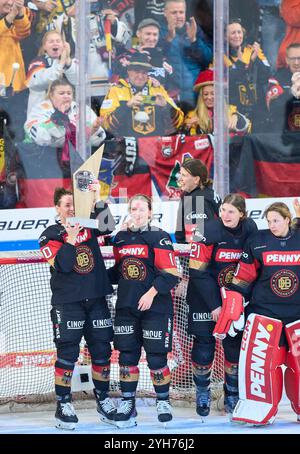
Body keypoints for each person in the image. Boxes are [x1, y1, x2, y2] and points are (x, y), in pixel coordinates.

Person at [39, 185, 116, 430]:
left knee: (102, 353)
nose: (72, 209)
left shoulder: (89, 223)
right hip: (68, 303)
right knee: (67, 355)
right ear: (57, 209)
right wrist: (70, 237)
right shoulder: (49, 235)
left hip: (96, 300)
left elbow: (108, 227)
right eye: (67, 205)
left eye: (74, 204)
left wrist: (97, 199)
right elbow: (63, 264)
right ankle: (63, 405)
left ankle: (103, 401)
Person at [108, 194, 179, 428]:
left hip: (156, 308)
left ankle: (163, 401)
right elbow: (120, 270)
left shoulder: (159, 237)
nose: (136, 212)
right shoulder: (121, 238)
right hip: (127, 307)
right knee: (127, 357)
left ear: (150, 211)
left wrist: (151, 293)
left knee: (157, 357)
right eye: (133, 208)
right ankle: (128, 403)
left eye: (141, 209)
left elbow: (171, 274)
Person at [228, 201, 300, 426]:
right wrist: (234, 304)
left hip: (297, 313)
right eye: (269, 221)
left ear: (288, 220)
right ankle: (260, 409)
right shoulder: (258, 241)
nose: (272, 225)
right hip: (265, 312)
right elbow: (244, 276)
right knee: (262, 365)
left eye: (276, 221)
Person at [188, 193, 258, 418]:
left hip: (235, 298)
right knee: (204, 346)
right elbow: (197, 272)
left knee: (234, 346)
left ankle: (232, 394)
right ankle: (202, 393)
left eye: (231, 211)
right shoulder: (204, 230)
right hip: (204, 298)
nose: (225, 215)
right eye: (223, 210)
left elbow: (252, 266)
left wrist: (237, 300)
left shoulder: (250, 228)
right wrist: (215, 306)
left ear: (242, 214)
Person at [100, 52, 184, 138]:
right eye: (136, 71)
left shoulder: (158, 90)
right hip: (126, 147)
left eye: (144, 72)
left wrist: (166, 107)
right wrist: (126, 106)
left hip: (154, 147)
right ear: (128, 71)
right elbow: (105, 124)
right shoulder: (116, 91)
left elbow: (178, 123)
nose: (140, 76)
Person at [24, 78, 105, 164]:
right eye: (61, 93)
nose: (66, 96)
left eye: (69, 93)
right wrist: (56, 124)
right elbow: (43, 140)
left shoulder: (82, 109)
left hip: (79, 160)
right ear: (51, 95)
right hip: (42, 162)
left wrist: (62, 137)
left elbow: (99, 138)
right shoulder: (39, 109)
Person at [159, 0, 213, 110]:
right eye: (174, 13)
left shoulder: (195, 30)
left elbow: (207, 59)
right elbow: (155, 60)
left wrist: (194, 40)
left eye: (181, 12)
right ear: (165, 13)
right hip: (170, 101)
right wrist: (168, 39)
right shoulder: (158, 32)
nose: (178, 16)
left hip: (196, 99)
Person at [225, 18, 271, 132]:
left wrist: (255, 60)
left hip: (258, 109)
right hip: (235, 111)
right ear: (225, 36)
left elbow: (266, 75)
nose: (237, 36)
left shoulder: (253, 50)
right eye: (233, 33)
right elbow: (225, 83)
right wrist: (240, 64)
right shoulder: (221, 56)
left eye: (239, 32)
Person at [183, 69, 250, 135]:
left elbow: (247, 129)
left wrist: (238, 118)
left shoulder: (231, 111)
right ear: (201, 97)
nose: (209, 97)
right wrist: (188, 127)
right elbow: (187, 140)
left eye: (213, 93)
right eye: (206, 94)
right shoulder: (193, 116)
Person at [26, 30, 77, 115]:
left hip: (66, 115)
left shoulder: (71, 63)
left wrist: (68, 62)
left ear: (64, 45)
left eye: (58, 41)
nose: (55, 43)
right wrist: (60, 63)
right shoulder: (36, 63)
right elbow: (42, 81)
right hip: (41, 115)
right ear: (44, 46)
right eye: (51, 41)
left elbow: (78, 81)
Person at [175, 158, 221, 244]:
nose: (180, 179)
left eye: (184, 175)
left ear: (196, 179)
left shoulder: (197, 199)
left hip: (198, 255)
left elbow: (198, 240)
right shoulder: (207, 192)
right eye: (180, 174)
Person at [266, 42, 300, 131]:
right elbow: (272, 109)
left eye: (299, 58)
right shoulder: (276, 80)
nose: (296, 62)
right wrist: (290, 93)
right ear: (287, 60)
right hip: (284, 134)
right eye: (293, 58)